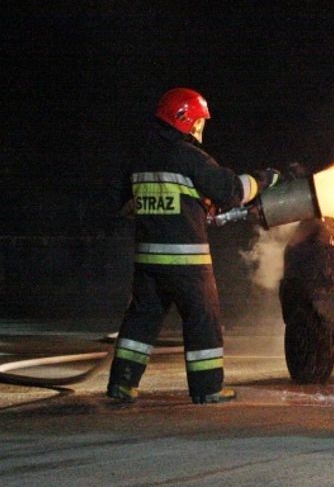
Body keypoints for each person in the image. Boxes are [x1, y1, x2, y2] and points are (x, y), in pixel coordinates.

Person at [107, 87, 278, 404]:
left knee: (140, 322)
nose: (201, 128)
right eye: (200, 121)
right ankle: (208, 388)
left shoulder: (141, 157)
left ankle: (122, 384)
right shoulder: (190, 157)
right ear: (185, 119)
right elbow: (231, 190)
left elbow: (125, 205)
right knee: (203, 322)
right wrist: (263, 180)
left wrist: (192, 207)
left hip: (148, 264)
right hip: (187, 264)